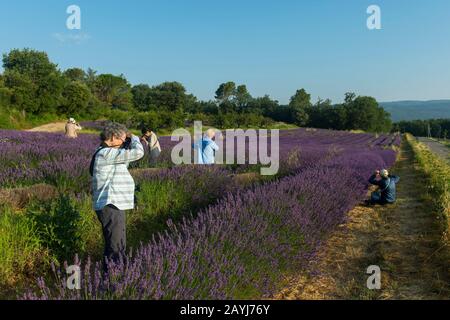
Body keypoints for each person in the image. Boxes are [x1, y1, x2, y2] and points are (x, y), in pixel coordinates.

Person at [90, 122, 144, 272]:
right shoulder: (105, 153)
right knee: (116, 247)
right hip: (111, 205)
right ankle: (114, 280)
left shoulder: (107, 153)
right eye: (122, 138)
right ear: (113, 137)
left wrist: (126, 143)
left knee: (113, 246)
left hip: (113, 205)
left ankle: (108, 278)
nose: (123, 142)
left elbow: (125, 161)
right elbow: (138, 153)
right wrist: (134, 138)